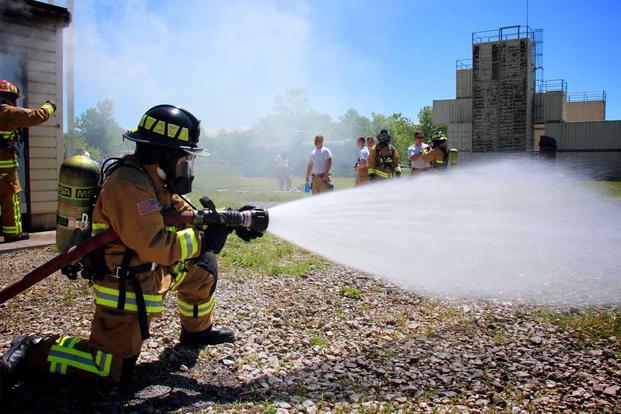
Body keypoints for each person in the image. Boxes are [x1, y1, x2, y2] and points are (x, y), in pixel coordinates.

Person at [0, 104, 249, 386]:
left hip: (152, 272)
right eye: (183, 158)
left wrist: (232, 219)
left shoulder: (155, 179)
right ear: (164, 154)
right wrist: (204, 239)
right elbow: (156, 244)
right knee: (107, 367)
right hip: (127, 285)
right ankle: (33, 347)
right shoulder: (129, 185)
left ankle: (196, 332)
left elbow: (183, 215)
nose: (186, 167)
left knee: (204, 266)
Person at [0, 80, 56, 242]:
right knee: (10, 201)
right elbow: (35, 116)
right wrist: (49, 107)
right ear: (9, 98)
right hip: (5, 171)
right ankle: (13, 234)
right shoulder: (7, 112)